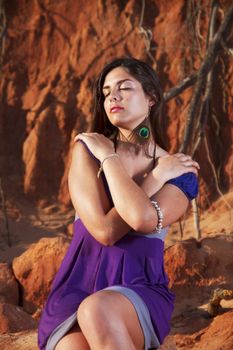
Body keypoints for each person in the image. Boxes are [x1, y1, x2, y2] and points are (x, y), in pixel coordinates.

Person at [38, 57, 199, 350]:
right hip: (76, 286)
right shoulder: (88, 149)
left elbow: (140, 218)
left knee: (97, 310)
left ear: (151, 98)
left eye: (124, 88)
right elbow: (104, 232)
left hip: (137, 289)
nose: (112, 95)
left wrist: (154, 169)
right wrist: (151, 175)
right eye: (107, 91)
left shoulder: (180, 170)